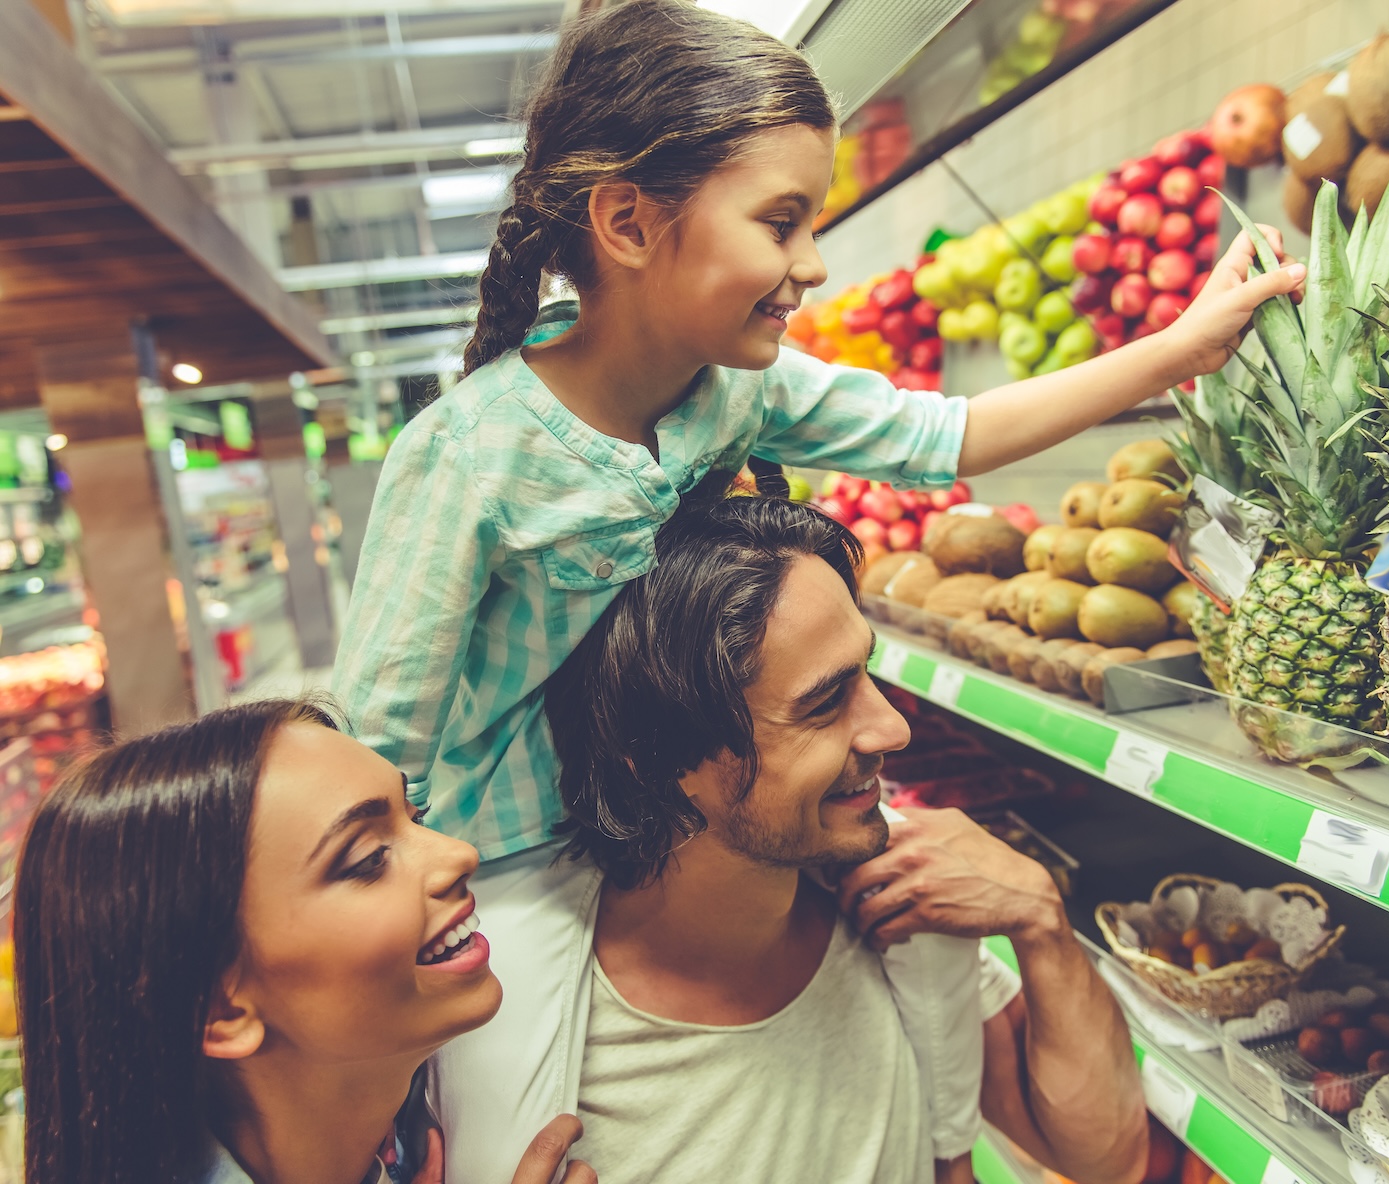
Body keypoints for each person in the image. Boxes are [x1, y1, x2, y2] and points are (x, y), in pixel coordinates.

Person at [331, 0, 1304, 867]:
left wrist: (1180, 347)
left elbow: (950, 434)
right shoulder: (466, 456)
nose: (812, 264)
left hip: (671, 839)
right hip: (516, 864)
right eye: (780, 221)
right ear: (627, 222)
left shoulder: (732, 393)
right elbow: (377, 746)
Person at [432, 488, 1147, 1184]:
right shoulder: (516, 1033)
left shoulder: (898, 907)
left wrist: (1041, 916)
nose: (891, 727)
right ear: (658, 756)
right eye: (824, 703)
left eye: (866, 672)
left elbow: (1104, 1160)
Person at [13, 700, 597, 1184]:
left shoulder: (407, 1138)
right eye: (369, 860)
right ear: (220, 1008)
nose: (458, 854)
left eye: (415, 817)